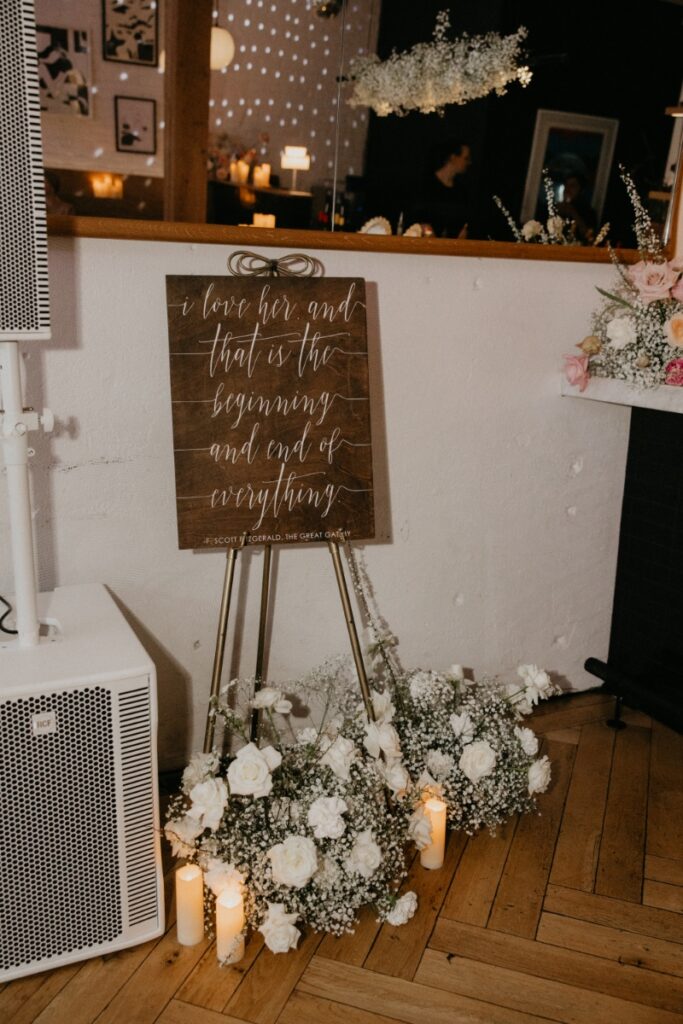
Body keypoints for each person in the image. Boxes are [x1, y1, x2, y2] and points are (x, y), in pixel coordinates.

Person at [409, 139, 472, 238]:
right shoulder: (426, 186)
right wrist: (435, 244)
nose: (469, 162)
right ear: (453, 157)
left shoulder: (461, 191)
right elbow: (420, 219)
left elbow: (465, 223)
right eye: (466, 158)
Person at [557, 173, 598, 244]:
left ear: (581, 190)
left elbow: (588, 235)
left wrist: (573, 213)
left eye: (572, 186)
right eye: (566, 185)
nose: (567, 189)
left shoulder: (588, 212)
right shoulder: (556, 208)